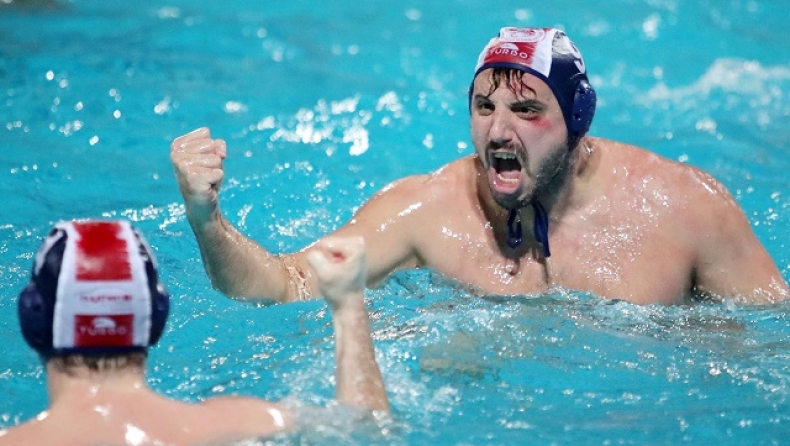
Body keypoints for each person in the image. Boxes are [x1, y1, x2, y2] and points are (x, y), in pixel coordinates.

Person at [170, 26, 789, 306]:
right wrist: (206, 220)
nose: (497, 131)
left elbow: (773, 341)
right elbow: (283, 287)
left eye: (527, 109)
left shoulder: (684, 209)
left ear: (577, 122)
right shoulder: (430, 209)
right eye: (484, 107)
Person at [0, 220, 387, 446]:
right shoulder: (236, 425)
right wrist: (348, 304)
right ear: (157, 316)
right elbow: (367, 428)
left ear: (33, 318)